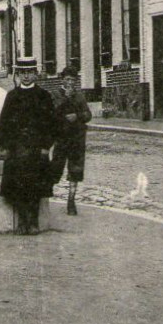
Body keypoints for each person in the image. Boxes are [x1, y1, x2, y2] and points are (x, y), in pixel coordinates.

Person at [0, 56, 57, 235]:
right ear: (18, 74)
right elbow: (4, 123)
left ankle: (33, 221)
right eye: (23, 73)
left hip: (36, 149)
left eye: (30, 72)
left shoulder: (43, 96)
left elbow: (51, 124)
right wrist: (4, 146)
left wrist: (46, 146)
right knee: (18, 187)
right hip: (16, 149)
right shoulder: (12, 96)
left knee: (35, 187)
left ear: (36, 74)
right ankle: (22, 221)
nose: (26, 76)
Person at [49, 65, 92, 215]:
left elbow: (88, 115)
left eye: (73, 80)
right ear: (62, 79)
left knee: (75, 170)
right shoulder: (55, 94)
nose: (70, 83)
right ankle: (46, 198)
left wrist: (78, 116)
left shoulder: (79, 96)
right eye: (67, 79)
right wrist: (65, 98)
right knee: (55, 169)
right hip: (61, 138)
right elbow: (52, 114)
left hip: (77, 139)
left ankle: (71, 202)